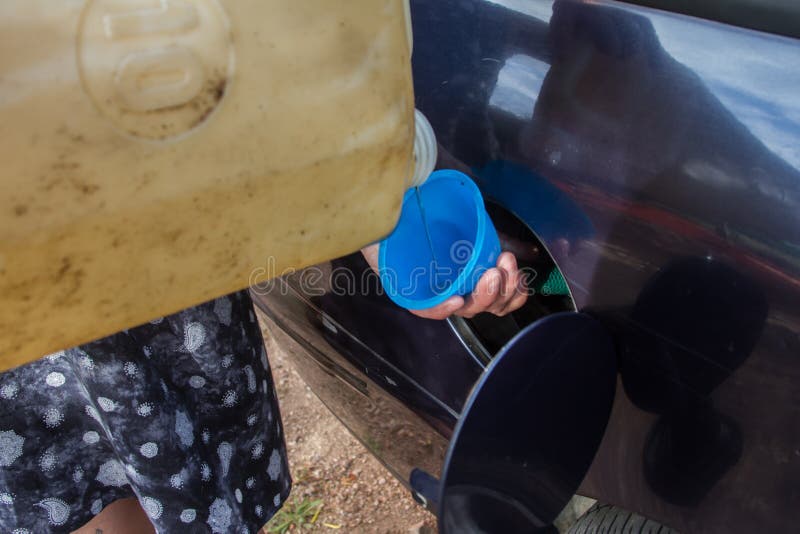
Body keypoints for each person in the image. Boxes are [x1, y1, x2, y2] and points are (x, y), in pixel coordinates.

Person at [0, 247, 527, 533]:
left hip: (168, 302)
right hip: (27, 323)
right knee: (89, 495)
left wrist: (396, 245)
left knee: (182, 496)